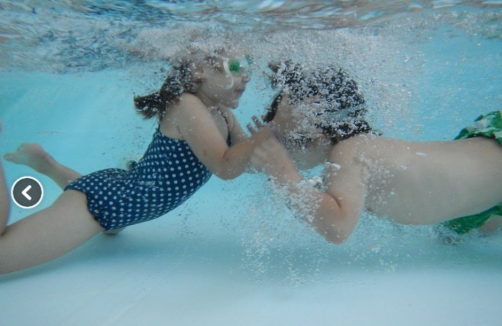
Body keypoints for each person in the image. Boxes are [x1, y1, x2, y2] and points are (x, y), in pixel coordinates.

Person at [0, 49, 271, 274]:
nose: (245, 75)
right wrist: (266, 136)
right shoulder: (187, 105)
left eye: (248, 65)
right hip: (105, 202)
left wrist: (272, 144)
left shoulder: (221, 112)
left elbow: (245, 162)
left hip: (122, 196)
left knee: (113, 228)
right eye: (235, 66)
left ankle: (46, 163)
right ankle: (51, 169)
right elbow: (225, 166)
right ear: (200, 69)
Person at [249, 61, 502, 244]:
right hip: (484, 165)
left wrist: (283, 171)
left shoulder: (350, 152)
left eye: (282, 141)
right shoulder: (357, 152)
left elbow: (337, 228)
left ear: (314, 135)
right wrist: (280, 174)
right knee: (450, 236)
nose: (282, 152)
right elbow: (317, 212)